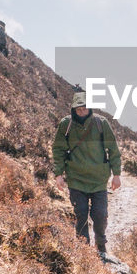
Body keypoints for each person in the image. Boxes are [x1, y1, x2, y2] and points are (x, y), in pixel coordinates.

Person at [51, 88, 121, 257]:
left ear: (90, 109)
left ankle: (101, 245)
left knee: (100, 215)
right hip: (76, 179)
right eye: (78, 109)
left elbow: (113, 149)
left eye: (84, 109)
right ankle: (83, 250)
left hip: (98, 180)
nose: (81, 112)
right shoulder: (65, 125)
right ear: (73, 109)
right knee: (80, 214)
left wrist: (116, 174)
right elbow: (58, 150)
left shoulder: (101, 123)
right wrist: (58, 174)